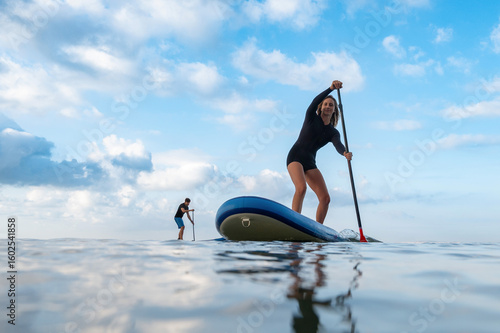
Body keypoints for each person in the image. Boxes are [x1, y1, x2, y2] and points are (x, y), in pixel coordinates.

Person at [286, 80, 352, 224]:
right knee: (301, 188)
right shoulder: (311, 117)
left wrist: (345, 153)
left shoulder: (332, 132)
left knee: (325, 198)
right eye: (326, 104)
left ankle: (318, 229)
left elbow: (338, 145)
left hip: (310, 162)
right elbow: (314, 101)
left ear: (335, 109)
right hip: (295, 156)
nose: (328, 106)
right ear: (321, 107)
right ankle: (294, 221)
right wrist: (330, 89)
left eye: (331, 105)